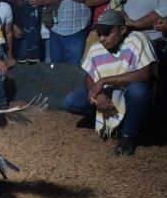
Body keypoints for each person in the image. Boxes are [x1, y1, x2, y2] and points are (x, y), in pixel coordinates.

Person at [63, 10, 158, 156]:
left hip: (128, 94)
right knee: (70, 101)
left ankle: (128, 137)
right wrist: (97, 92)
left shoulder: (137, 39)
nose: (102, 38)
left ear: (122, 29)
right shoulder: (96, 47)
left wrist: (104, 80)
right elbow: (89, 77)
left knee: (138, 91)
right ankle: (113, 123)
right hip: (108, 95)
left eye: (107, 33)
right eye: (99, 33)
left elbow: (145, 74)